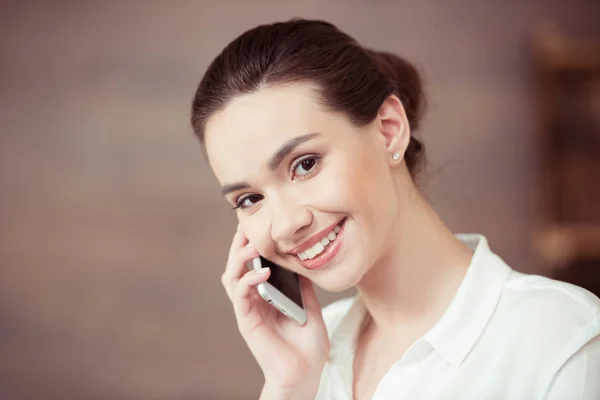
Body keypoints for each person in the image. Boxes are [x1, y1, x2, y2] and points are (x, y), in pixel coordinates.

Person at [190, 18, 600, 399]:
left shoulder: (562, 339)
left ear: (389, 130)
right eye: (250, 199)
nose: (285, 225)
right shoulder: (309, 353)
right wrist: (291, 386)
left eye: (305, 164)